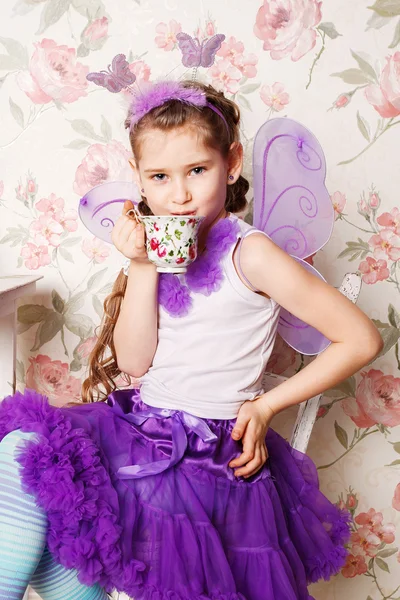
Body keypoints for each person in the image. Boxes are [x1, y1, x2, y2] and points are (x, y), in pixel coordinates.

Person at [0, 79, 383, 600]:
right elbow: (136, 362)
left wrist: (268, 405)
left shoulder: (251, 254)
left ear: (232, 163)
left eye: (196, 171)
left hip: (206, 457)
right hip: (140, 428)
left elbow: (360, 339)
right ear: (138, 179)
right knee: (28, 452)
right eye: (160, 177)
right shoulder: (157, 252)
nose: (178, 195)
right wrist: (140, 264)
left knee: (75, 500)